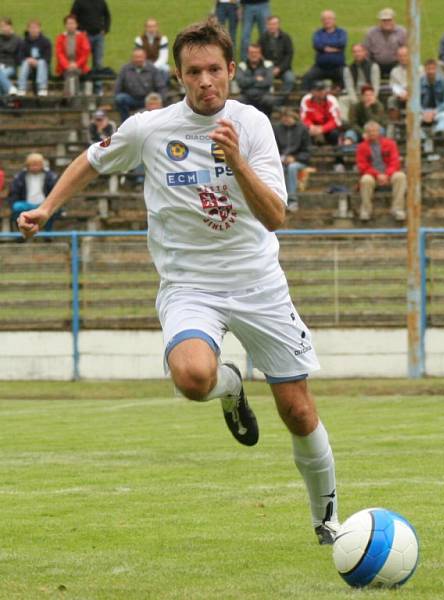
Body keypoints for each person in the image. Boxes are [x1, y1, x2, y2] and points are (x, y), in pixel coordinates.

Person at [17, 19, 340, 546]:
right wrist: (47, 208)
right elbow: (92, 161)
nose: (206, 80)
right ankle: (230, 386)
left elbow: (276, 215)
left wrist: (235, 161)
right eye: (194, 72)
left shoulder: (252, 125)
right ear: (178, 75)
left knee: (298, 410)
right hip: (189, 284)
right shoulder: (150, 128)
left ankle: (327, 521)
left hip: (258, 283)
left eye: (215, 69)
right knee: (192, 378)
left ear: (232, 71)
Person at [356, 120, 406, 222]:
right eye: (369, 131)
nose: (372, 133)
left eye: (374, 131)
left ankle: (397, 209)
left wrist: (387, 174)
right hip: (372, 174)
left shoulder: (390, 143)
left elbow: (395, 162)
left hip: (389, 173)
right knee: (365, 180)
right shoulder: (361, 147)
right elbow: (362, 166)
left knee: (401, 176)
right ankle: (366, 210)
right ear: (366, 133)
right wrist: (378, 175)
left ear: (379, 132)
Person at [9, 153, 58, 233]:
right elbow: (14, 193)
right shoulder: (19, 177)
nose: (35, 167)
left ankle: (48, 234)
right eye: (32, 165)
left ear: (42, 165)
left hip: (44, 204)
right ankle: (21, 233)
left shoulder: (51, 176)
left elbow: (55, 192)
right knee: (16, 207)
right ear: (27, 165)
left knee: (50, 210)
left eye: (37, 165)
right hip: (26, 204)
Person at [273, 107, 310, 212]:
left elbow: (307, 152)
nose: (286, 119)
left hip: (300, 161)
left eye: (288, 117)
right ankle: (278, 199)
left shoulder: (302, 129)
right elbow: (273, 148)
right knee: (277, 168)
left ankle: (293, 200)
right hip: (281, 159)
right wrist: (281, 158)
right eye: (284, 117)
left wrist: (295, 158)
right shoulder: (277, 129)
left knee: (292, 168)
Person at [114, 48, 167, 122]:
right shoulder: (125, 69)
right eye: (136, 57)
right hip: (131, 98)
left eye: (140, 57)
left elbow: (161, 86)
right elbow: (118, 85)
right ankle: (126, 122)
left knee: (156, 99)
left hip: (148, 99)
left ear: (145, 57)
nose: (138, 59)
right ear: (132, 58)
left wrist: (160, 99)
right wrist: (115, 96)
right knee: (120, 98)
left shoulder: (152, 69)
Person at [69, 0, 111, 89]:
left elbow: (107, 15)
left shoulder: (101, 2)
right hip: (84, 36)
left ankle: (98, 88)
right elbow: (72, 17)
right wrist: (80, 30)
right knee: (83, 62)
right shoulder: (79, 2)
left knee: (98, 63)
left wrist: (105, 29)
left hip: (99, 36)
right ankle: (82, 86)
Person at [301, 10, 346, 91]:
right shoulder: (318, 33)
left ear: (334, 20)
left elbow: (341, 43)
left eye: (329, 18)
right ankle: (305, 100)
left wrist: (324, 47)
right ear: (322, 21)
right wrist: (334, 48)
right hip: (321, 67)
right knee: (307, 78)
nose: (327, 21)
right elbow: (317, 45)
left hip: (338, 67)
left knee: (347, 76)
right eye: (324, 19)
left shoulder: (341, 32)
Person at [340, 43, 380, 123]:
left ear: (365, 52)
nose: (357, 54)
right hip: (357, 95)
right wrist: (356, 102)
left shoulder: (373, 66)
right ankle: (345, 123)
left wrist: (371, 98)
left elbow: (376, 85)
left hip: (369, 95)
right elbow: (349, 87)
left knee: (377, 104)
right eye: (355, 52)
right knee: (342, 100)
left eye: (359, 51)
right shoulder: (348, 69)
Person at [363, 8, 406, 78]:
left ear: (394, 20)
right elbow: (365, 51)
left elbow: (408, 51)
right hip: (376, 63)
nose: (386, 22)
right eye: (384, 20)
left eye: (389, 20)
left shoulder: (402, 32)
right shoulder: (371, 33)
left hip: (396, 63)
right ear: (379, 21)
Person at [55, 14, 91, 97]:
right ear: (65, 25)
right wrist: (67, 65)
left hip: (79, 66)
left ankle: (67, 96)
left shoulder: (82, 37)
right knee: (71, 72)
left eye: (72, 23)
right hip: (64, 67)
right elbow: (59, 54)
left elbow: (85, 53)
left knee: (72, 72)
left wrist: (76, 64)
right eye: (68, 23)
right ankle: (75, 96)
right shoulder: (60, 37)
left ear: (76, 25)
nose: (71, 26)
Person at [300, 80, 343, 148]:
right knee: (303, 131)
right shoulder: (306, 99)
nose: (321, 92)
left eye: (323, 90)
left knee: (334, 134)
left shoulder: (332, 100)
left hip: (327, 127)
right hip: (312, 127)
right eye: (318, 90)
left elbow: (335, 120)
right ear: (312, 92)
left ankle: (338, 156)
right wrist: (311, 126)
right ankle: (308, 154)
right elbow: (304, 118)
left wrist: (322, 129)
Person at [236, 43, 275, 117]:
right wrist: (255, 79)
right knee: (238, 101)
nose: (254, 55)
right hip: (246, 96)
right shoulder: (242, 65)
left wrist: (249, 82)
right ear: (248, 54)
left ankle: (267, 121)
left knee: (269, 101)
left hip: (263, 96)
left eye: (256, 53)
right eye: (251, 53)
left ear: (260, 54)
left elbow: (268, 82)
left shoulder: (268, 65)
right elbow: (241, 83)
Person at [16, 19, 52, 97]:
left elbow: (48, 58)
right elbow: (19, 57)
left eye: (35, 28)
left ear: (40, 29)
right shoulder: (24, 42)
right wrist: (28, 60)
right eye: (31, 28)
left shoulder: (46, 41)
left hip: (42, 67)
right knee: (25, 62)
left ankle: (42, 88)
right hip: (28, 66)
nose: (33, 30)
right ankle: (21, 88)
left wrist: (37, 61)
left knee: (42, 62)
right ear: (28, 29)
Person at [259, 15, 294, 93]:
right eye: (270, 24)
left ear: (278, 25)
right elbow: (259, 55)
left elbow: (289, 55)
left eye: (274, 24)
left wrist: (279, 68)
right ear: (267, 25)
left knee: (290, 79)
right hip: (267, 68)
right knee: (261, 79)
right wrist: (268, 67)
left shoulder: (286, 38)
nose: (272, 26)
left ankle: (280, 101)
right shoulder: (262, 38)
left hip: (283, 69)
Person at [420, 58, 444, 137]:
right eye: (428, 69)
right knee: (411, 120)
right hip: (423, 112)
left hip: (439, 110)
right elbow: (415, 102)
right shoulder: (419, 82)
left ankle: (438, 132)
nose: (431, 71)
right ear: (425, 70)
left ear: (436, 69)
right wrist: (423, 112)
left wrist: (435, 112)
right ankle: (422, 137)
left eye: (433, 69)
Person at [135, 18, 170, 85]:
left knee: (165, 69)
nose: (151, 29)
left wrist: (153, 67)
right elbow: (138, 57)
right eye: (149, 27)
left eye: (153, 26)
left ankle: (162, 86)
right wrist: (146, 66)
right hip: (144, 64)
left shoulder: (163, 39)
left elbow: (163, 58)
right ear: (145, 28)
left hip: (159, 64)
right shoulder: (139, 40)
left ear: (157, 27)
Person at [0, 17, 21, 96]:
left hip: (10, 66)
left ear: (10, 26)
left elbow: (19, 56)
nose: (3, 29)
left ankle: (10, 88)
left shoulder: (17, 39)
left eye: (5, 26)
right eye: (1, 27)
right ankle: (10, 88)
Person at [387, 45, 410, 117]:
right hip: (400, 96)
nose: (402, 58)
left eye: (405, 55)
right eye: (400, 56)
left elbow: (420, 86)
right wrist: (400, 94)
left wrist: (409, 94)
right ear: (397, 57)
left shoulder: (418, 69)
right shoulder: (394, 71)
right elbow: (393, 86)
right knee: (391, 100)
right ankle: (395, 123)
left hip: (415, 96)